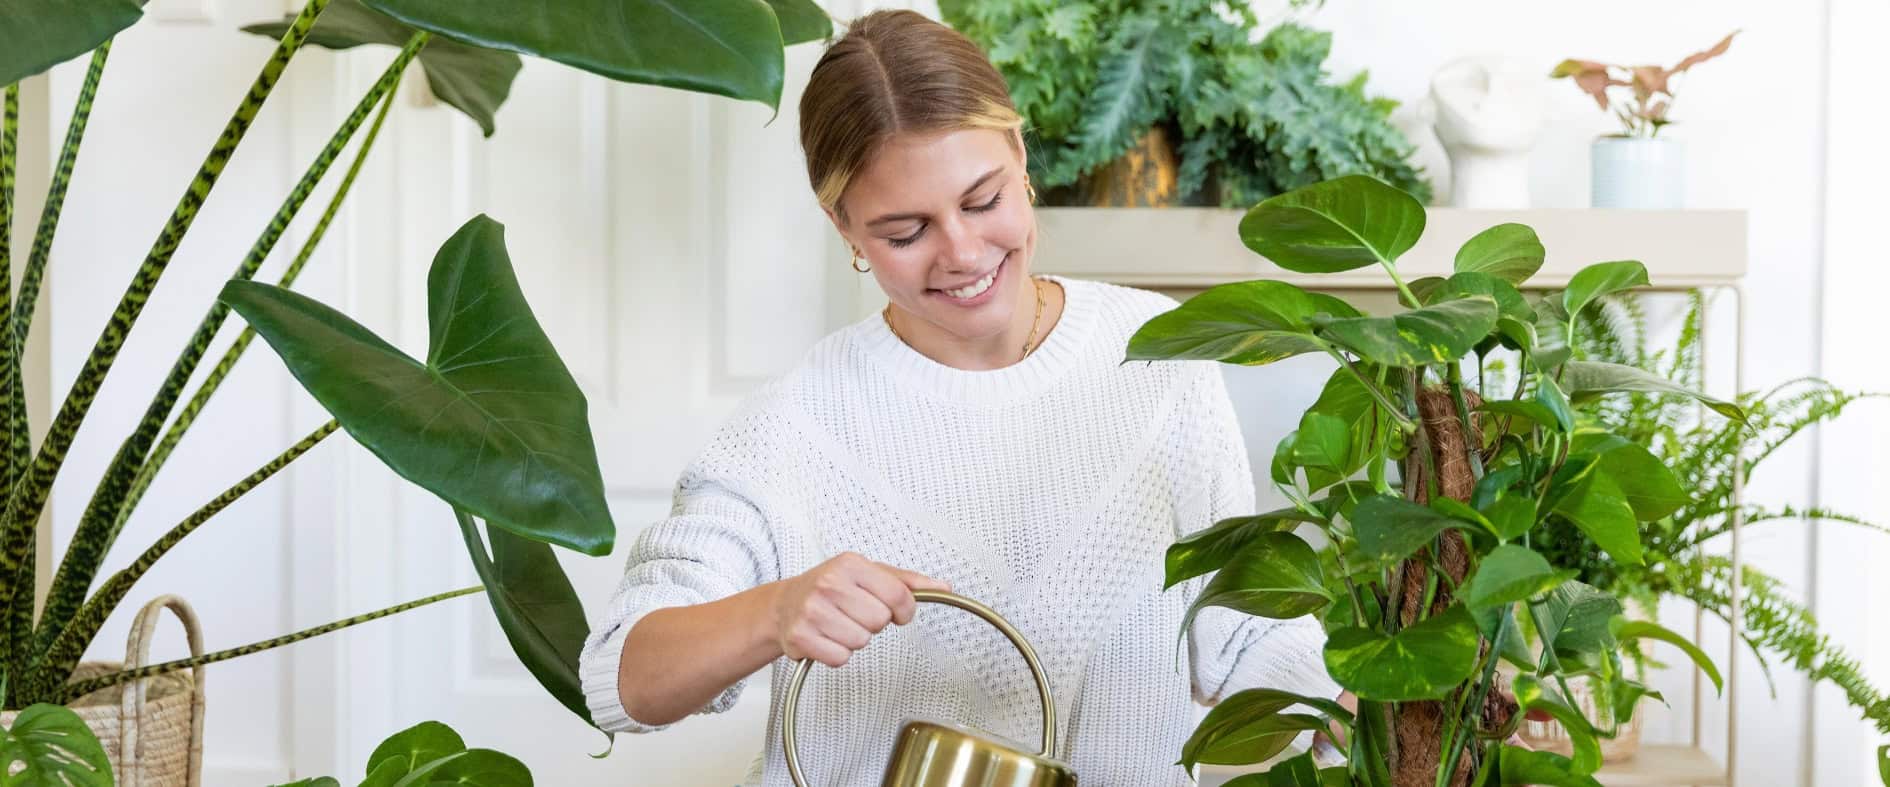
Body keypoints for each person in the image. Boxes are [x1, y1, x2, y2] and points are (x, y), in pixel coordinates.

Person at [577, 10, 1339, 785]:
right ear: (843, 226)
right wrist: (776, 612)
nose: (964, 254)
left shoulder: (1158, 354)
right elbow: (624, 677)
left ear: (1019, 152)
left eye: (982, 201)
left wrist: (1360, 692)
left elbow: (1239, 634)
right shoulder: (796, 425)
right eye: (905, 232)